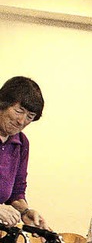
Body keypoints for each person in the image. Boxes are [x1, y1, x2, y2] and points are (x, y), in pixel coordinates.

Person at [0, 76, 48, 228]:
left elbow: (16, 192)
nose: (21, 121)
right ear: (3, 104)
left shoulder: (21, 143)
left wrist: (25, 212)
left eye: (30, 116)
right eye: (19, 111)